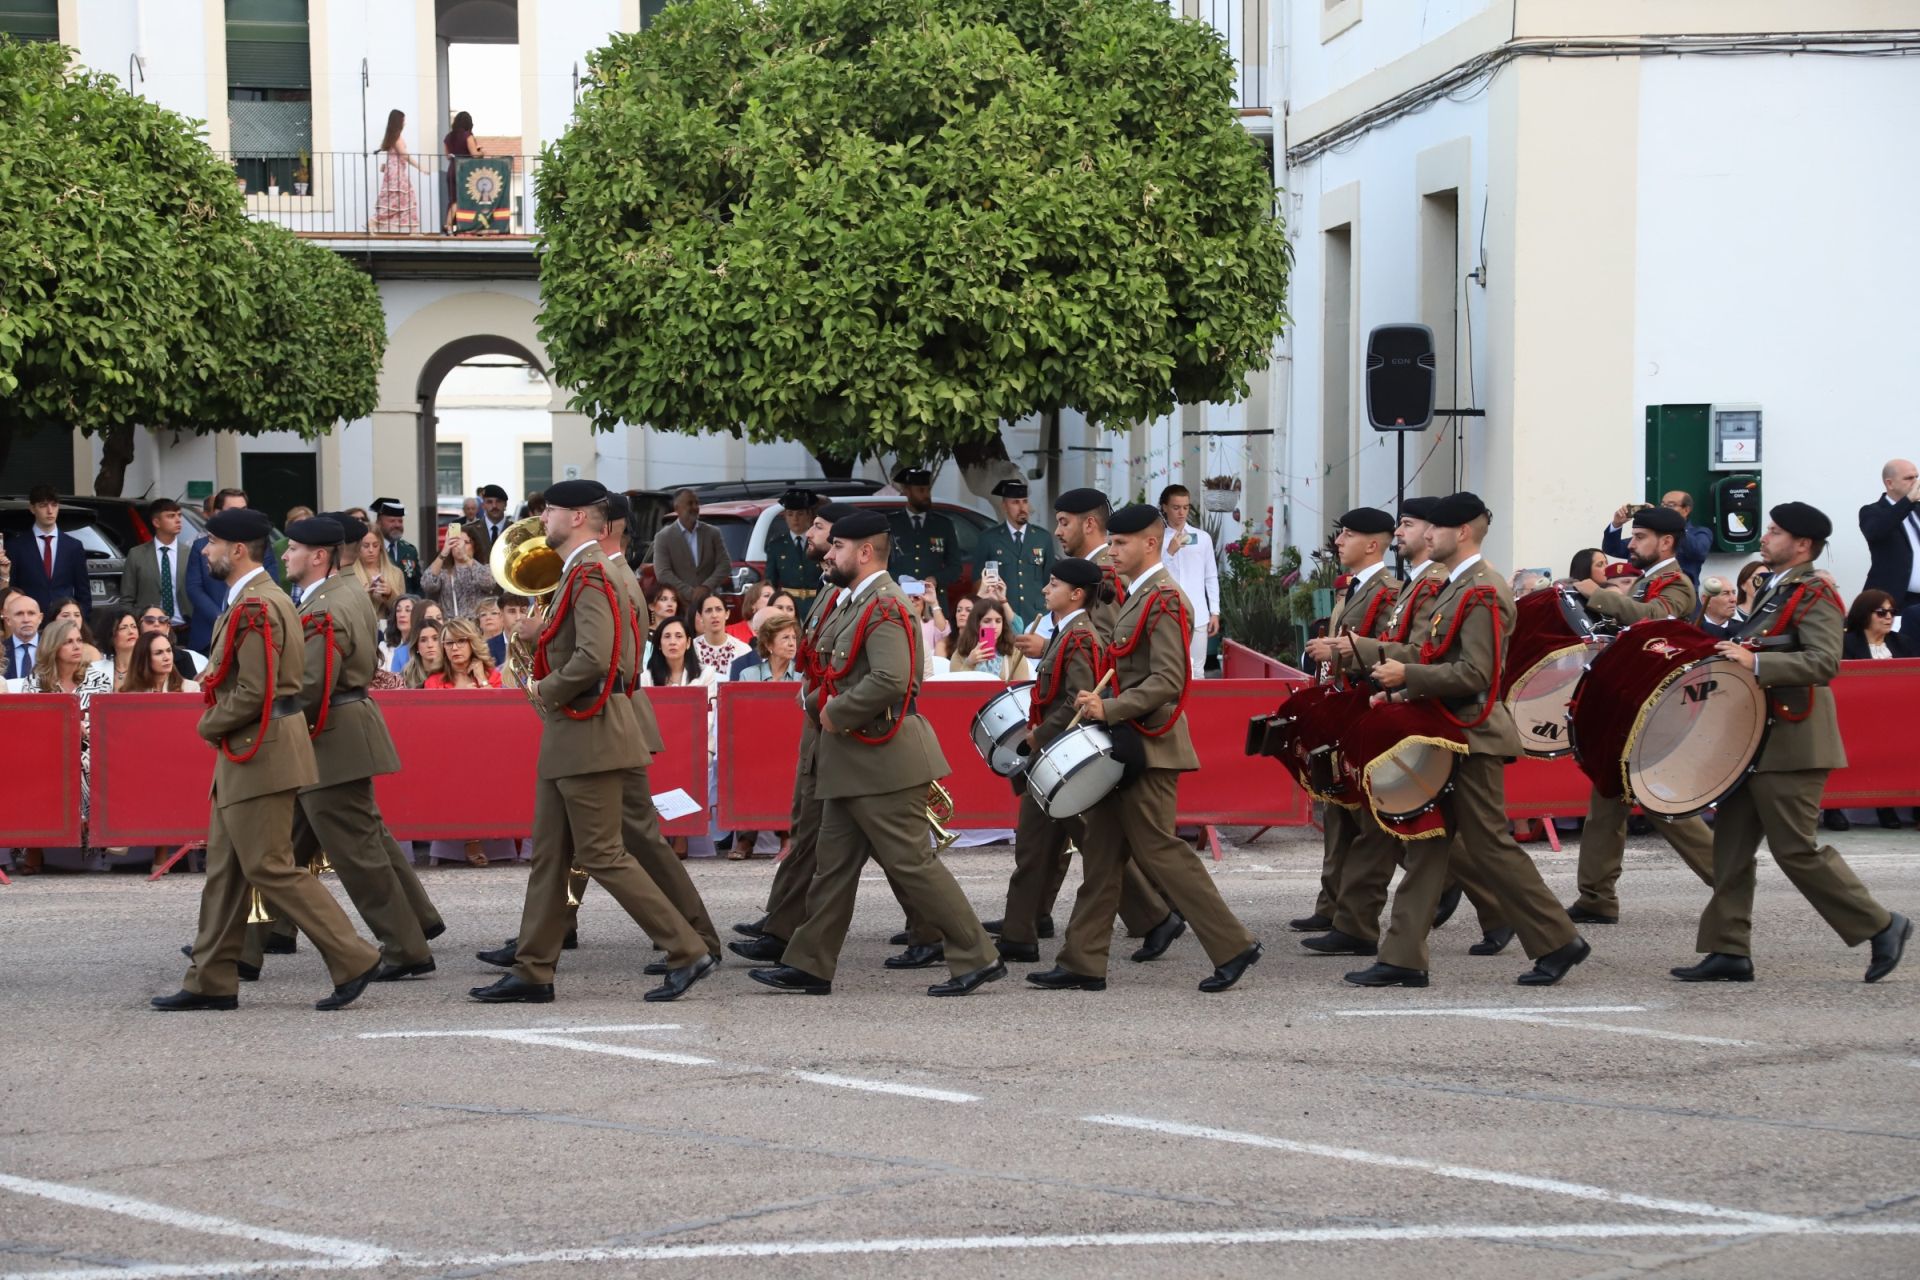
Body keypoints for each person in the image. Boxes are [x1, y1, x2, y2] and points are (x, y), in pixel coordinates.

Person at [470, 478, 717, 1005]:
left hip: (588, 729)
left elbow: (595, 658)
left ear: (578, 516)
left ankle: (686, 948)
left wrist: (544, 689)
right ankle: (533, 969)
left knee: (603, 853)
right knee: (551, 855)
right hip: (577, 731)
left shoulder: (589, 573)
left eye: (551, 511)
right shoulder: (581, 571)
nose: (543, 520)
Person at [750, 508, 1002, 998]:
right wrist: (821, 703)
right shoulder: (855, 601)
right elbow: (839, 671)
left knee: (912, 865)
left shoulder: (885, 604)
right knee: (832, 867)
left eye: (839, 546)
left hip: (882, 757)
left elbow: (893, 679)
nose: (830, 553)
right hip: (852, 760)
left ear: (865, 552)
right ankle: (810, 963)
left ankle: (978, 956)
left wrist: (834, 710)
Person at [1354, 492, 1592, 989]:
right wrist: (1400, 684)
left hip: (1473, 735)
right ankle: (1402, 957)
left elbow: (1477, 673)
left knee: (1489, 847)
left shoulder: (1482, 590)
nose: (1426, 535)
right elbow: (1434, 653)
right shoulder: (1457, 586)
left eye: (1435, 528)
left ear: (1461, 532)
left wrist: (1408, 676)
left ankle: (1558, 940)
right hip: (1448, 731)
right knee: (1426, 842)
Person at [154, 507, 382, 1013]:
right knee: (226, 870)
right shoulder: (254, 600)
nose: (205, 551)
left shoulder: (257, 604)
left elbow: (256, 691)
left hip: (260, 749)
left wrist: (208, 724)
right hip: (253, 748)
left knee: (270, 866)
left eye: (213, 543)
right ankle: (211, 978)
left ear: (237, 550)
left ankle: (354, 955)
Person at [1028, 504, 1260, 994]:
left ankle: (1234, 945)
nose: (1111, 552)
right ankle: (1082, 962)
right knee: (1101, 854)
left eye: (1120, 544)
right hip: (1128, 741)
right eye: (1111, 543)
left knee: (1161, 852)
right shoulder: (1140, 595)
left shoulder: (1165, 599)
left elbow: (1168, 680)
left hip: (1151, 745)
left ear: (1149, 544)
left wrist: (1108, 708)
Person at [1676, 502, 1911, 984]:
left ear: (1802, 545)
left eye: (1776, 531)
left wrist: (1756, 663)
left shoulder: (1815, 592)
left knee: (1795, 850)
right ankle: (1728, 948)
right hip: (1754, 740)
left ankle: (1881, 924)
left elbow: (1825, 661)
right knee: (1730, 849)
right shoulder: (1776, 588)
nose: (1765, 536)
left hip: (1794, 740)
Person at [240, 514, 443, 981]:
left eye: (293, 549)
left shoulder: (324, 606)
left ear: (318, 556)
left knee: (357, 855)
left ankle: (406, 947)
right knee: (288, 849)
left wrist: (270, 725)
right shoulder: (342, 592)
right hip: (336, 734)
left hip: (328, 740)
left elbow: (311, 686)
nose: (285, 556)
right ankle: (250, 939)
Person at [993, 558, 1179, 964]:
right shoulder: (1066, 633)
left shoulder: (1079, 637)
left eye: (1054, 584)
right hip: (1052, 757)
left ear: (1076, 594)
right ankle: (1019, 933)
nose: (1046, 590)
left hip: (1062, 759)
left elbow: (1075, 701)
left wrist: (1038, 736)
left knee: (1092, 847)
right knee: (1034, 848)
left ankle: (1154, 917)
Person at [1565, 506, 1717, 924]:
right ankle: (1596, 896)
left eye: (1640, 537)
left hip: (1652, 707)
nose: (1631, 544)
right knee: (1606, 799)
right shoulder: (1647, 581)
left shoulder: (1677, 583)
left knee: (1660, 802)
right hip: (1628, 703)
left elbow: (1654, 619)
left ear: (1666, 542)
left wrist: (1597, 594)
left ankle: (1730, 879)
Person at [1293, 507, 1404, 957]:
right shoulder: (1354, 589)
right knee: (1337, 810)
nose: (1338, 541)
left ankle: (1455, 885)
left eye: (1348, 534)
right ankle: (1332, 905)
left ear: (1373, 544)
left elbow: (1390, 652)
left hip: (1366, 708)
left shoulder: (1388, 591)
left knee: (1371, 821)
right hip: (1342, 709)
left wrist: (1336, 654)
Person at [728, 611, 803, 861]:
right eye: (785, 638)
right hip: (757, 744)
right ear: (769, 645)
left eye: (794, 638)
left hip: (792, 744)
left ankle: (787, 835)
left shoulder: (803, 676)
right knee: (749, 763)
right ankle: (746, 837)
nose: (792, 643)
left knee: (790, 764)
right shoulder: (748, 675)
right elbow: (742, 717)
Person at [1843, 589, 1915, 829]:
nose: (1889, 617)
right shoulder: (1846, 643)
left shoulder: (1902, 642)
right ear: (1865, 614)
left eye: (1892, 612)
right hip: (1857, 716)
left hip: (1899, 717)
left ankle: (1904, 804)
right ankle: (1843, 809)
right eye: (1881, 612)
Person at [185, 488, 281, 653]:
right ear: (217, 513)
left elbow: (271, 580)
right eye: (234, 511)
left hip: (251, 627)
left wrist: (243, 617)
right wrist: (222, 618)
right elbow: (194, 588)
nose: (241, 516)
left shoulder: (258, 545)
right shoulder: (201, 547)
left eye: (244, 510)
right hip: (208, 634)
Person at [971, 478, 1054, 630]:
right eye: (1015, 502)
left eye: (1025, 501)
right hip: (1000, 616)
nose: (1022, 508)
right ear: (1004, 506)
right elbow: (977, 580)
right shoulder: (988, 538)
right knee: (993, 646)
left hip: (1036, 617)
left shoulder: (1043, 538)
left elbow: (1050, 580)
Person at [1159, 484, 1221, 677]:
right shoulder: (1157, 539)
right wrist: (1169, 552)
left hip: (1198, 614)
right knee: (1169, 670)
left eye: (1185, 507)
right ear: (1165, 507)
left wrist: (1215, 611)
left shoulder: (1202, 538)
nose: (1181, 512)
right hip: (1166, 614)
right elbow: (1154, 575)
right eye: (1176, 507)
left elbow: (1210, 576)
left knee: (1197, 670)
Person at [4, 485, 90, 615]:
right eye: (43, 505)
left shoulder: (73, 546)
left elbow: (83, 591)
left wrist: (83, 620)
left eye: (54, 505)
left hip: (64, 620)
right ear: (32, 508)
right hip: (29, 619)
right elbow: (11, 589)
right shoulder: (16, 546)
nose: (50, 511)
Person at [1860, 458, 1920, 637]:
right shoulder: (1872, 511)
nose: (1915, 482)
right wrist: (1907, 501)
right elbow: (1877, 532)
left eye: (1916, 477)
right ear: (1890, 483)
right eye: (1909, 478)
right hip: (1896, 599)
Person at [1601, 491, 1712, 584]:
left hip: (1678, 592)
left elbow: (1698, 552)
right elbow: (1612, 549)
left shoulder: (1700, 533)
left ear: (1686, 510)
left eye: (1670, 505)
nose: (1664, 509)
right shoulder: (1649, 535)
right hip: (1640, 591)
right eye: (1662, 505)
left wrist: (1671, 522)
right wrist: (1616, 524)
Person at [886, 467, 962, 602]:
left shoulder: (943, 524)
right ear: (907, 491)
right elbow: (879, 567)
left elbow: (955, 567)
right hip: (900, 600)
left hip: (933, 601)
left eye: (928, 490)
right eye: (921, 490)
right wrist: (899, 579)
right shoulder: (891, 524)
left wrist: (936, 578)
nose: (926, 495)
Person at [120, 499, 192, 640]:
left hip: (185, 629)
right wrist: (141, 620)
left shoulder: (190, 553)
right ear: (156, 522)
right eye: (171, 516)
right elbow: (127, 599)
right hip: (150, 632)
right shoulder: (137, 554)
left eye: (179, 515)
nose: (178, 520)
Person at [650, 489, 731, 596]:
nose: (695, 507)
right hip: (681, 601)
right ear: (677, 508)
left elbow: (725, 564)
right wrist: (690, 593)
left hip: (709, 599)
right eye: (690, 503)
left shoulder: (712, 533)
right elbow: (663, 573)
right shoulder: (664, 537)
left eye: (696, 503)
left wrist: (706, 587)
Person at [764, 487, 824, 612]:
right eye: (790, 514)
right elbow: (771, 581)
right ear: (785, 516)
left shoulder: (820, 541)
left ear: (809, 515)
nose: (795, 519)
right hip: (788, 606)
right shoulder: (776, 545)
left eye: (800, 514)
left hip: (817, 603)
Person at [369, 109, 429, 232]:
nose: (405, 123)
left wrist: (386, 167)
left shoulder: (394, 137)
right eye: (403, 120)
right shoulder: (396, 138)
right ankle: (374, 221)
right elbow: (404, 155)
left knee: (402, 197)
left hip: (395, 172)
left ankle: (413, 230)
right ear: (398, 122)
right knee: (398, 198)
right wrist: (420, 167)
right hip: (396, 173)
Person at [947, 597, 1031, 681]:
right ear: (976, 624)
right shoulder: (960, 653)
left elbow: (1021, 687)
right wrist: (969, 663)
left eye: (998, 621)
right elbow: (955, 687)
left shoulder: (1014, 654)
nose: (993, 626)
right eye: (987, 621)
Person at [421, 524, 492, 618]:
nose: (460, 546)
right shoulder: (444, 571)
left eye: (466, 542)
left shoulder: (484, 568)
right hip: (451, 623)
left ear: (475, 546)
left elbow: (488, 583)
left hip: (476, 624)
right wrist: (444, 552)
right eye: (456, 542)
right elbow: (427, 584)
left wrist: (465, 557)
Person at [424, 617, 501, 688]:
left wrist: (482, 679)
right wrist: (461, 695)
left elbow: (497, 698)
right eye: (449, 643)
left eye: (461, 641)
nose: (454, 648)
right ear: (443, 647)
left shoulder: (493, 675)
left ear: (472, 643)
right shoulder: (433, 682)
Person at [689, 586, 750, 675]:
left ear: (727, 614)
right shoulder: (690, 649)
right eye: (708, 611)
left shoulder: (743, 650)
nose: (714, 615)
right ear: (701, 616)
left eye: (718, 609)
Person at [441, 110, 484, 234]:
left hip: (452, 169)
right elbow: (474, 154)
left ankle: (450, 226)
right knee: (463, 199)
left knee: (453, 199)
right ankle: (452, 225)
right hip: (464, 171)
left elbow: (447, 156)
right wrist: (482, 152)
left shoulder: (448, 137)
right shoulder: (468, 136)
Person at [370, 499, 423, 596]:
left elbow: (418, 586)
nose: (397, 525)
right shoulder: (372, 550)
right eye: (392, 521)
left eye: (400, 521)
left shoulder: (409, 550)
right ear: (378, 523)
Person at [353, 528, 403, 620]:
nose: (371, 550)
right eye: (366, 546)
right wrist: (364, 595)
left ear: (381, 547)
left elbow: (403, 609)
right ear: (358, 547)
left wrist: (390, 594)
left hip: (387, 626)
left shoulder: (396, 573)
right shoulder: (350, 573)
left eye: (375, 545)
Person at [126, 629, 197, 693]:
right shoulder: (131, 693)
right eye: (158, 653)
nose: (167, 657)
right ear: (144, 658)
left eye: (169, 650)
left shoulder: (190, 689)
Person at [88, 606, 140, 689]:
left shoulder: (148, 667)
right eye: (123, 628)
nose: (131, 631)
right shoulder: (96, 670)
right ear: (110, 636)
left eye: (134, 626)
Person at [4, 590, 42, 681]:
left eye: (31, 613)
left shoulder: (54, 649)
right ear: (8, 620)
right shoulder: (1, 651)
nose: (26, 619)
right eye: (19, 614)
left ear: (40, 618)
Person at [399, 620, 443, 689]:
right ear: (416, 646)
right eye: (423, 640)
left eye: (435, 639)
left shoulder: (452, 673)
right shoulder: (406, 677)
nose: (430, 645)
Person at [475, 483, 515, 550]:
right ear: (483, 506)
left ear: (505, 504)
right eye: (489, 502)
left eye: (498, 501)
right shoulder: (471, 531)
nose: (494, 506)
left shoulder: (516, 530)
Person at [936, 595, 973, 661]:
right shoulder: (944, 644)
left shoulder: (983, 641)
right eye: (959, 610)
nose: (962, 613)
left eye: (968, 610)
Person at [475, 597, 508, 668]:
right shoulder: (474, 646)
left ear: (503, 618)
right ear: (479, 621)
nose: (488, 618)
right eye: (483, 615)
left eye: (494, 613)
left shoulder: (511, 643)